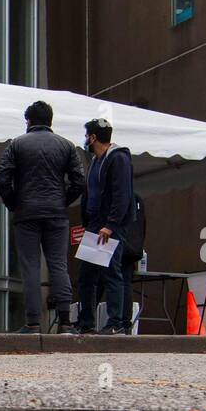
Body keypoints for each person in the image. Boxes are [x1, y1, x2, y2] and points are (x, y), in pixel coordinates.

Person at [0, 100, 87, 334]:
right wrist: (61, 201)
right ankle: (65, 322)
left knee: (30, 268)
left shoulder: (16, 145)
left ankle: (33, 322)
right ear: (50, 120)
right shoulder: (67, 146)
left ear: (28, 121)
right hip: (56, 213)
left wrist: (15, 203)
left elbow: (3, 179)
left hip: (26, 214)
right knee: (59, 265)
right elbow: (79, 181)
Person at [78, 118, 136, 334]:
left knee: (111, 272)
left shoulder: (118, 159)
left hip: (108, 226)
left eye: (87, 136)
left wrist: (111, 225)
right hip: (95, 224)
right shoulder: (96, 161)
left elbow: (122, 195)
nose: (86, 140)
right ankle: (86, 322)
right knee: (86, 276)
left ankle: (116, 323)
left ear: (93, 137)